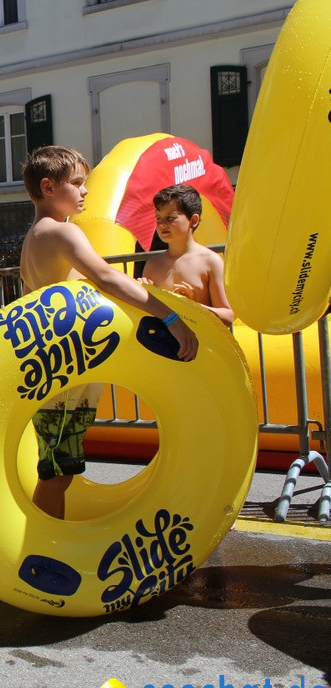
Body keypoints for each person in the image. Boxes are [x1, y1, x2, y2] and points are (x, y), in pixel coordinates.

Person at [19, 146, 198, 519]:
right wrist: (169, 317)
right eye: (77, 183)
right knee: (57, 471)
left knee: (59, 469)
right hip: (63, 375)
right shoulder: (60, 233)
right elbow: (106, 277)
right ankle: (41, 551)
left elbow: (82, 288)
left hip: (59, 369)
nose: (85, 191)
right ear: (49, 186)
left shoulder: (38, 234)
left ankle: (46, 540)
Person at [138, 183, 234, 327]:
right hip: (165, 346)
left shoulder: (210, 261)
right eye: (158, 218)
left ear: (193, 221)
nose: (162, 224)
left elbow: (227, 316)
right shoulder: (153, 264)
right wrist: (144, 294)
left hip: (202, 344)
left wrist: (194, 307)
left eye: (170, 218)